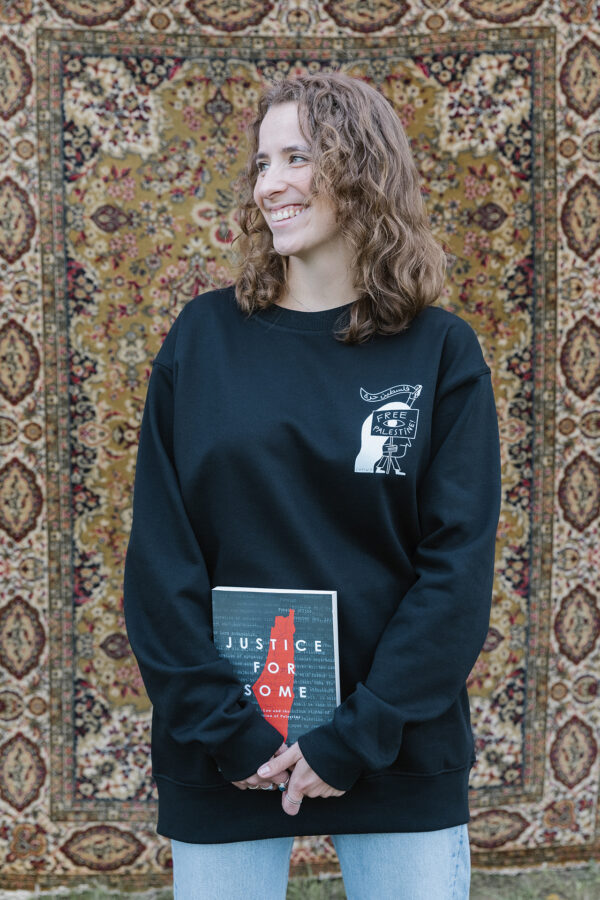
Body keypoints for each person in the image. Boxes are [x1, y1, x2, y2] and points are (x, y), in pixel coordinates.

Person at [123, 72, 501, 899]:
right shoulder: (203, 338)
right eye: (262, 163)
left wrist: (353, 738)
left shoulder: (440, 352)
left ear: (362, 169)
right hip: (227, 750)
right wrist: (230, 732)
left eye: (298, 156)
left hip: (397, 744)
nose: (271, 185)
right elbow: (160, 562)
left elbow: (457, 573)